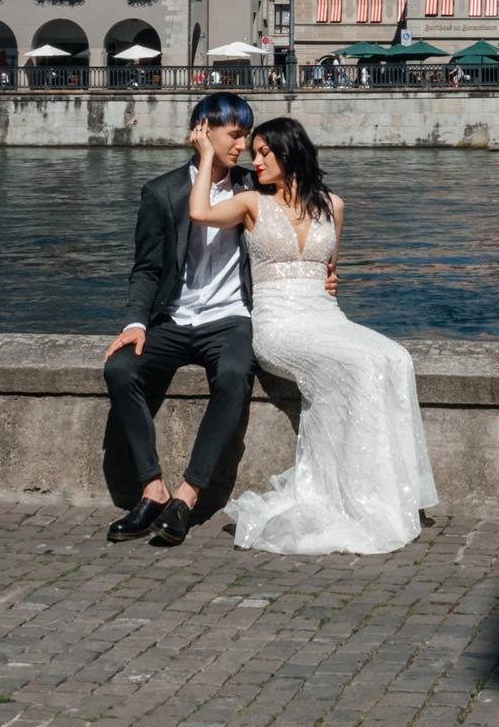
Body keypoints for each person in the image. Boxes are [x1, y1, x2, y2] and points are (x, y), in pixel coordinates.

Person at [188, 116, 438, 554]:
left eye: (265, 152)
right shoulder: (250, 203)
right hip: (279, 325)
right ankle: (355, 499)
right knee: (362, 364)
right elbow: (200, 212)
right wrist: (207, 155)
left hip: (326, 316)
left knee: (395, 357)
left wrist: (331, 280)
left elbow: (329, 270)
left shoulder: (333, 205)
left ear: (291, 152)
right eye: (254, 153)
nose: (257, 160)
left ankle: (389, 493)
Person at [101, 92, 259, 548]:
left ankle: (187, 497)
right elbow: (147, 268)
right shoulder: (162, 192)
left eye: (246, 135)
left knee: (233, 376)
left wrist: (325, 272)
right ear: (203, 131)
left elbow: (307, 214)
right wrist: (136, 322)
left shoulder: (255, 187)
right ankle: (152, 490)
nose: (243, 145)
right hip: (173, 319)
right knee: (119, 368)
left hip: (231, 319)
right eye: (234, 134)